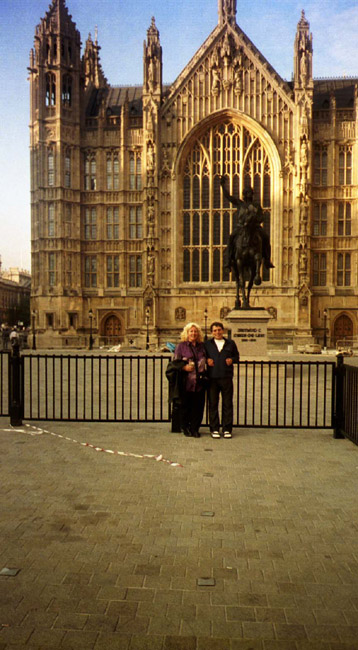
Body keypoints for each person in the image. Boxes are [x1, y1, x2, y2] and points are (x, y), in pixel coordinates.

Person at [220, 177, 274, 273]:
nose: (250, 195)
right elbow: (228, 197)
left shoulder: (256, 206)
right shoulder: (240, 204)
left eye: (251, 193)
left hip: (255, 227)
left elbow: (262, 217)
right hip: (241, 227)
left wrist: (256, 221)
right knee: (231, 238)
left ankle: (267, 260)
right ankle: (228, 261)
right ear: (245, 195)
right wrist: (223, 186)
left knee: (266, 237)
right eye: (248, 193)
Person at [204, 321, 239, 439]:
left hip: (226, 377)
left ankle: (227, 428)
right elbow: (202, 357)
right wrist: (206, 360)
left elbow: (237, 356)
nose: (217, 332)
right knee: (213, 404)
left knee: (227, 403)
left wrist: (232, 360)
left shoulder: (230, 343)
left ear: (222, 330)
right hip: (212, 378)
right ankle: (214, 428)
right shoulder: (207, 344)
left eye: (219, 330)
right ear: (211, 332)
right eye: (214, 330)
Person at [173, 322, 207, 438]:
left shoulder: (202, 346)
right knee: (185, 405)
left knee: (198, 406)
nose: (193, 333)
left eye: (195, 331)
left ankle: (195, 428)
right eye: (191, 331)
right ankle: (185, 427)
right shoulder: (181, 347)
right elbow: (174, 364)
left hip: (199, 382)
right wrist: (184, 367)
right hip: (186, 381)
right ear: (187, 333)